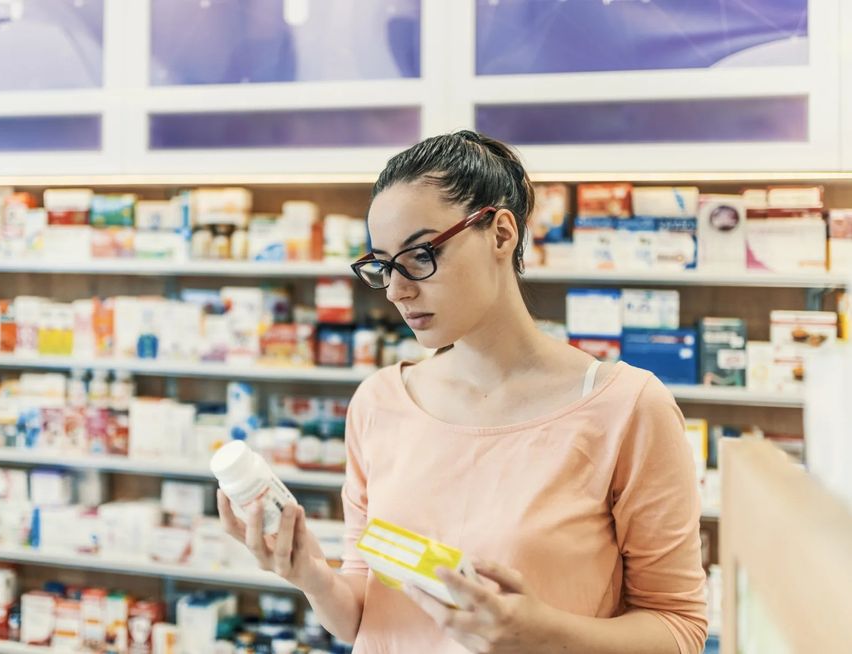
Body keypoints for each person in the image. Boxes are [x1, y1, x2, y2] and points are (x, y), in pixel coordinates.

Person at [217, 131, 707, 653]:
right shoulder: (379, 402)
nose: (397, 289)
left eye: (421, 254)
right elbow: (369, 618)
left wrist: (542, 634)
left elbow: (679, 628)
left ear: (500, 234)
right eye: (383, 265)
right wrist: (312, 574)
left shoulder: (626, 408)